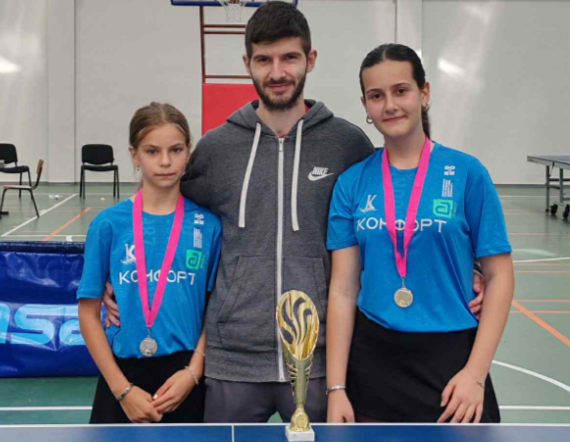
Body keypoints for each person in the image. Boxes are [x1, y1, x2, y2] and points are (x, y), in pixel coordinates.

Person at [103, 2, 486, 423]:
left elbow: (393, 213)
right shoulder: (216, 149)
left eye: (289, 57)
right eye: (264, 60)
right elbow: (167, 209)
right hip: (232, 360)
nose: (277, 72)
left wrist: (469, 268)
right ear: (247, 64)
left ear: (311, 59)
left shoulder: (347, 145)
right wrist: (120, 275)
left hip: (318, 359)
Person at [326, 43, 514, 424]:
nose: (390, 105)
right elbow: (343, 290)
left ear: (424, 93)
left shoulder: (467, 173)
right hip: (373, 363)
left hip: (452, 366)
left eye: (401, 91)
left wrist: (475, 374)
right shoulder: (352, 184)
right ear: (365, 105)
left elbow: (500, 276)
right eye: (376, 96)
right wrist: (337, 388)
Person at [78, 102, 221, 424]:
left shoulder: (208, 226)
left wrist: (194, 372)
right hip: (122, 377)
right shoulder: (108, 225)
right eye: (152, 151)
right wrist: (122, 390)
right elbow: (87, 313)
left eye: (176, 150)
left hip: (185, 378)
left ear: (188, 152)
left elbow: (214, 308)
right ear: (134, 155)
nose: (165, 161)